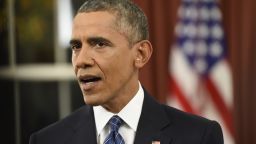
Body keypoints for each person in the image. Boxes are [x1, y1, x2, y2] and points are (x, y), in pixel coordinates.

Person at [29, 0, 224, 144]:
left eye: (99, 44)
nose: (81, 61)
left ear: (140, 54)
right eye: (76, 46)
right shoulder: (47, 140)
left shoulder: (199, 136)